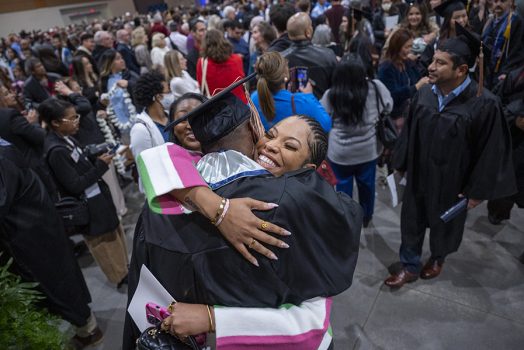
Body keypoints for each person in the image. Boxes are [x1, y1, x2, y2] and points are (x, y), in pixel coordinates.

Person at [124, 92, 361, 349]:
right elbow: (314, 322)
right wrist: (219, 209)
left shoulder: (163, 200)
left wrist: (212, 318)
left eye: (290, 146)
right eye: (270, 135)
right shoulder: (283, 205)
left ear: (309, 170)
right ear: (255, 130)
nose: (271, 145)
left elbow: (161, 157)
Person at [384, 28, 516, 288]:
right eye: (432, 60)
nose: (430, 67)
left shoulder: (484, 104)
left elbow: (491, 151)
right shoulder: (424, 94)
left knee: (446, 223)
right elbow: (410, 132)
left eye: (440, 63)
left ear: (461, 70)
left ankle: (437, 257)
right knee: (412, 219)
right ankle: (409, 265)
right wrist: (399, 166)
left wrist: (476, 190)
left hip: (454, 181)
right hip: (420, 174)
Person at [0, 140, 103, 348]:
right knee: (59, 280)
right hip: (34, 227)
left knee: (56, 284)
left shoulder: (2, 159)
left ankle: (88, 330)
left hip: (30, 235)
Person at [40, 97, 129, 287]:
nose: (76, 121)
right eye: (71, 119)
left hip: (97, 198)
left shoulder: (66, 139)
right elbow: (75, 185)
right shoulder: (56, 150)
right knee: (103, 242)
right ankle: (120, 276)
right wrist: (100, 166)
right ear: (55, 123)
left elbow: (78, 161)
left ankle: (125, 268)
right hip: (87, 205)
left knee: (113, 233)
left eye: (76, 116)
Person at [321, 55, 393, 227]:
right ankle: (366, 216)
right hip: (368, 151)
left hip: (340, 154)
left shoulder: (331, 95)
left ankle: (347, 219)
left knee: (343, 189)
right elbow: (389, 106)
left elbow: (322, 119)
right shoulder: (376, 88)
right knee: (367, 186)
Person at [251, 51, 331, 131]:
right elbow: (326, 125)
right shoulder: (303, 102)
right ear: (285, 75)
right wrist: (309, 96)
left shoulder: (254, 98)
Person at [487, 65, 524, 224]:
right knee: (505, 185)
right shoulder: (517, 76)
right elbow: (496, 105)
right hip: (513, 142)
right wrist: (513, 119)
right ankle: (498, 212)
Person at [378, 28, 428, 132]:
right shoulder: (386, 68)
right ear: (396, 48)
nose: (410, 50)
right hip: (394, 120)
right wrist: (416, 87)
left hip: (410, 115)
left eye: (411, 46)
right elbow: (392, 96)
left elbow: (418, 78)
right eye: (407, 47)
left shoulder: (406, 62)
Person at [130, 71, 171, 191]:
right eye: (168, 92)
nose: (171, 95)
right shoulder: (141, 130)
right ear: (157, 97)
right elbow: (145, 170)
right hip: (164, 187)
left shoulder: (171, 116)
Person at [282, 12, 338, 99]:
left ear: (289, 34)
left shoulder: (280, 60)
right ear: (308, 32)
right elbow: (335, 88)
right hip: (322, 109)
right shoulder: (328, 55)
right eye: (311, 25)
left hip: (292, 110)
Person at [418, 0, 470, 76]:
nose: (461, 20)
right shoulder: (436, 43)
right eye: (456, 17)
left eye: (464, 16)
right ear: (448, 20)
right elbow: (422, 67)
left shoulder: (472, 40)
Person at [481, 0, 524, 88]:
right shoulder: (491, 20)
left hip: (504, 72)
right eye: (496, 1)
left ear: (511, 2)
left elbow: (516, 52)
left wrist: (507, 72)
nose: (498, 4)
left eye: (502, 1)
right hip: (489, 70)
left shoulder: (516, 21)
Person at [196, 29, 246, 103]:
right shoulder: (237, 59)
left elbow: (201, 85)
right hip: (240, 104)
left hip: (218, 107)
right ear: (224, 41)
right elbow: (242, 79)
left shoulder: (202, 62)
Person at [99, 49, 139, 128]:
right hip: (117, 122)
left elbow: (142, 87)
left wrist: (129, 84)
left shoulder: (129, 75)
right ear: (109, 63)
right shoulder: (104, 81)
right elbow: (105, 102)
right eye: (117, 59)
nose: (122, 61)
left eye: (121, 58)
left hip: (135, 118)